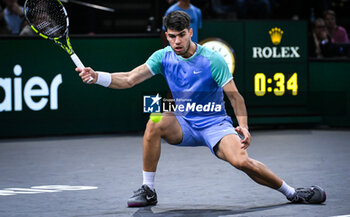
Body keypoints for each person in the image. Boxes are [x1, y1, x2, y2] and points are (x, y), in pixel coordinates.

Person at [76, 11, 326, 207]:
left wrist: (245, 127)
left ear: (190, 32)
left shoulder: (212, 60)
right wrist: (97, 76)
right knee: (154, 118)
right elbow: (130, 78)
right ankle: (148, 189)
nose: (176, 41)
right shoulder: (163, 56)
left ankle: (292, 192)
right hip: (182, 122)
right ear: (166, 35)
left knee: (241, 161)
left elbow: (236, 98)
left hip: (215, 124)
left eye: (181, 35)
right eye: (171, 36)